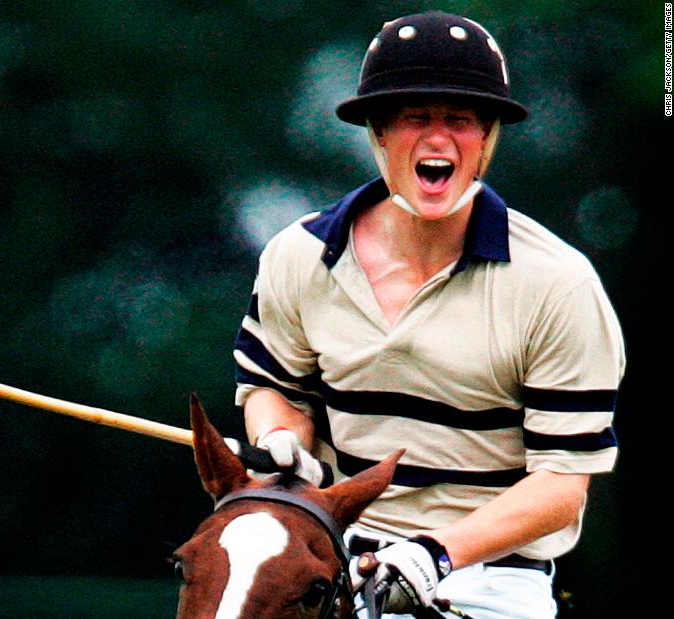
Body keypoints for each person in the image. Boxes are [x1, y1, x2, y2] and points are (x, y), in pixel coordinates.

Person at [232, 11, 624, 619]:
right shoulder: (299, 257)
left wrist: (435, 553)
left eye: (461, 121)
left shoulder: (557, 283)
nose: (438, 138)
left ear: (488, 139)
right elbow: (273, 388)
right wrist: (280, 437)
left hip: (494, 587)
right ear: (379, 132)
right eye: (417, 118)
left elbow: (561, 488)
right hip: (335, 573)